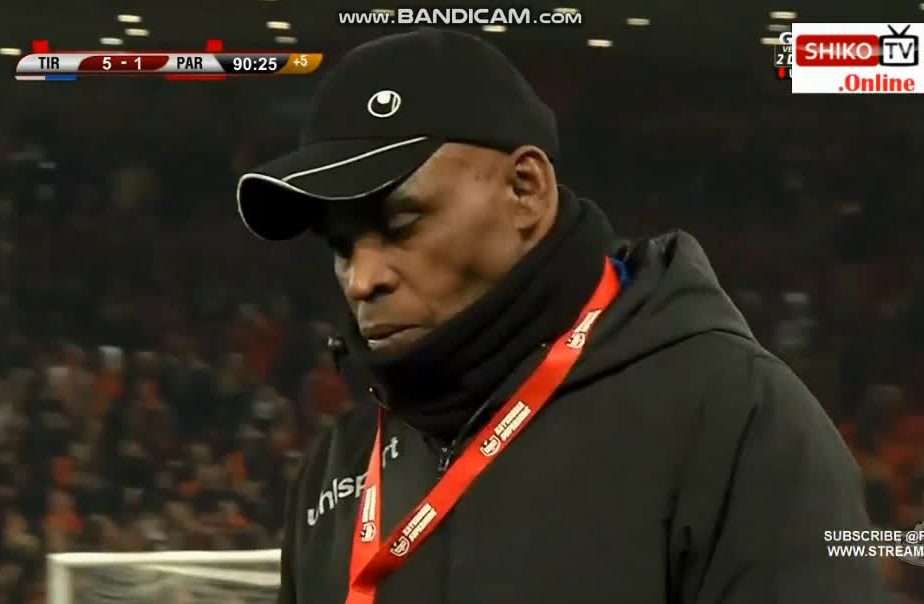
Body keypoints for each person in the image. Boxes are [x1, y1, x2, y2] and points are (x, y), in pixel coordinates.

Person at [237, 28, 887, 604]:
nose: (363, 278)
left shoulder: (732, 416)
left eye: (402, 224)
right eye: (341, 246)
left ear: (526, 190)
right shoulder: (341, 462)